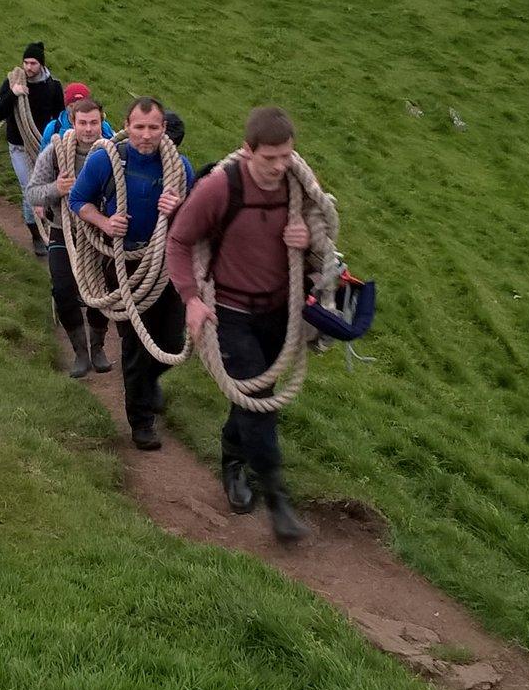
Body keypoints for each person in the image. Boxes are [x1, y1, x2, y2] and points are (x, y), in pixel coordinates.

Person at [166, 107, 314, 542]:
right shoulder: (219, 188)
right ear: (248, 151)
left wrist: (303, 242)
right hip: (232, 312)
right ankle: (278, 499)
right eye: (271, 157)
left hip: (279, 311)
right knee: (257, 400)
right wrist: (191, 301)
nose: (281, 165)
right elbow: (179, 240)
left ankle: (232, 459)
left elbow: (323, 233)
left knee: (254, 395)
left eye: (287, 155)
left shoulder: (296, 188)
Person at [69, 97, 194, 450]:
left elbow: (195, 223)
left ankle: (149, 381)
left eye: (153, 127)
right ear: (127, 124)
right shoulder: (106, 159)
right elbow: (78, 201)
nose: (145, 135)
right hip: (124, 262)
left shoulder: (179, 167)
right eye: (139, 127)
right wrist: (105, 222)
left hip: (165, 262)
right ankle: (141, 422)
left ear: (163, 129)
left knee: (170, 341)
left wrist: (180, 207)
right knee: (137, 344)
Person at [26, 97, 113, 378]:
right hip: (63, 229)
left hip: (100, 234)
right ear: (72, 123)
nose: (89, 129)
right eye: (83, 123)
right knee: (63, 289)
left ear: (102, 122)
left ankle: (98, 347)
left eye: (94, 123)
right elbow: (32, 193)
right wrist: (56, 188)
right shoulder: (55, 152)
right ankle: (80, 352)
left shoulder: (113, 153)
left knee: (100, 293)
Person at [0, 42, 64, 256]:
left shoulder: (52, 86)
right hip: (19, 146)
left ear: (41, 64)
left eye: (33, 63)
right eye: (26, 62)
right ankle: (35, 234)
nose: (28, 67)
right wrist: (13, 94)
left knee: (51, 188)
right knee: (29, 189)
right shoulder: (12, 82)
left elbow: (60, 116)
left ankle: (54, 228)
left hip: (44, 145)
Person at [39, 82, 115, 149]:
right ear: (66, 106)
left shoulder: (103, 127)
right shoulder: (54, 128)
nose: (75, 111)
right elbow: (44, 157)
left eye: (81, 107)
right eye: (72, 106)